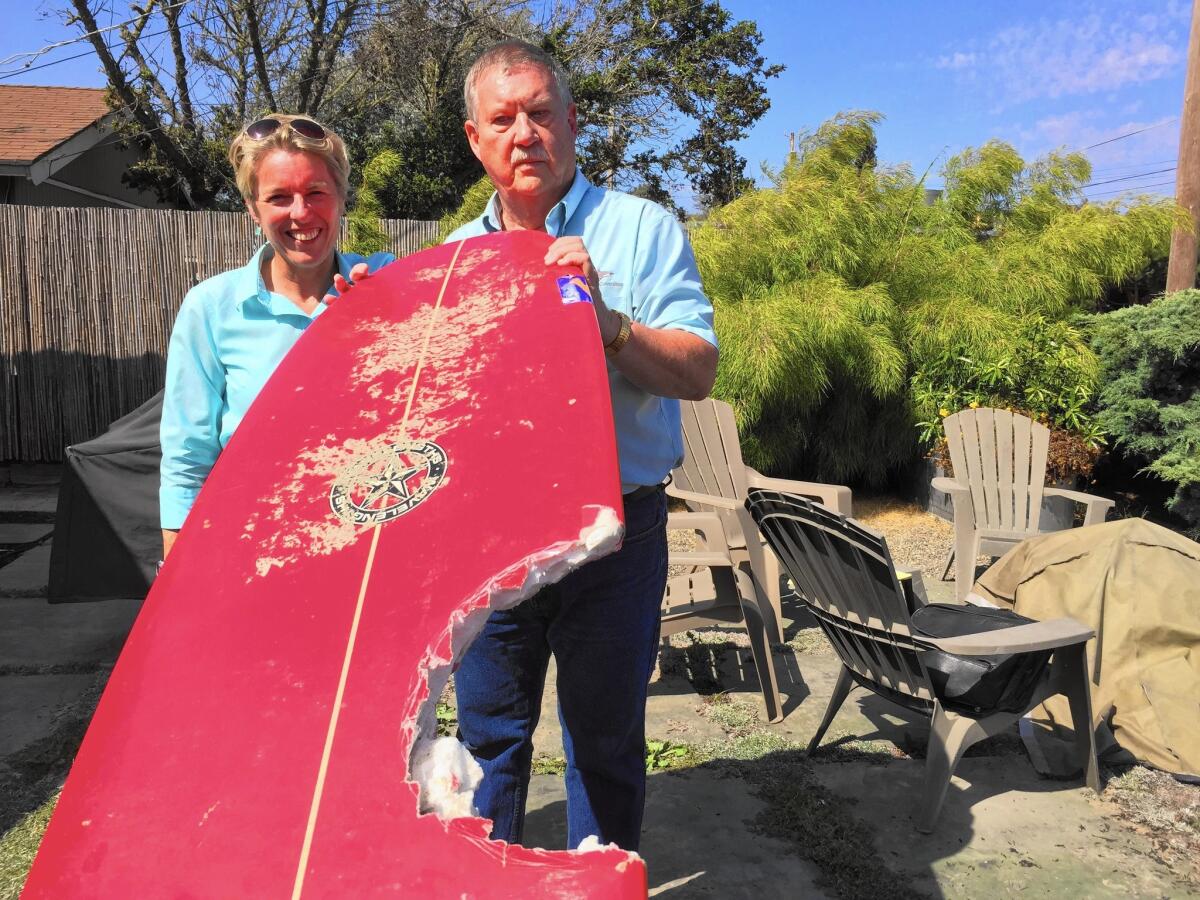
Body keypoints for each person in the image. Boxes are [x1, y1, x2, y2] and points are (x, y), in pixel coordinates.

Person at [447, 41, 719, 852]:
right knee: (487, 740)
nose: (523, 132)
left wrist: (607, 324)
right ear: (475, 138)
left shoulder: (641, 230)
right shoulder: (456, 258)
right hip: (493, 538)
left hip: (617, 535)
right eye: (503, 118)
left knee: (603, 743)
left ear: (572, 121)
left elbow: (699, 371)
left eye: (539, 112)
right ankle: (487, 879)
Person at [159, 114, 392, 558]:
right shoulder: (211, 308)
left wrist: (384, 317)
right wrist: (176, 570)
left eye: (316, 193)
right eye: (279, 197)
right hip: (253, 548)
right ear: (252, 206)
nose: (301, 213)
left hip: (370, 549)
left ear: (341, 196)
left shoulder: (383, 284)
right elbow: (188, 457)